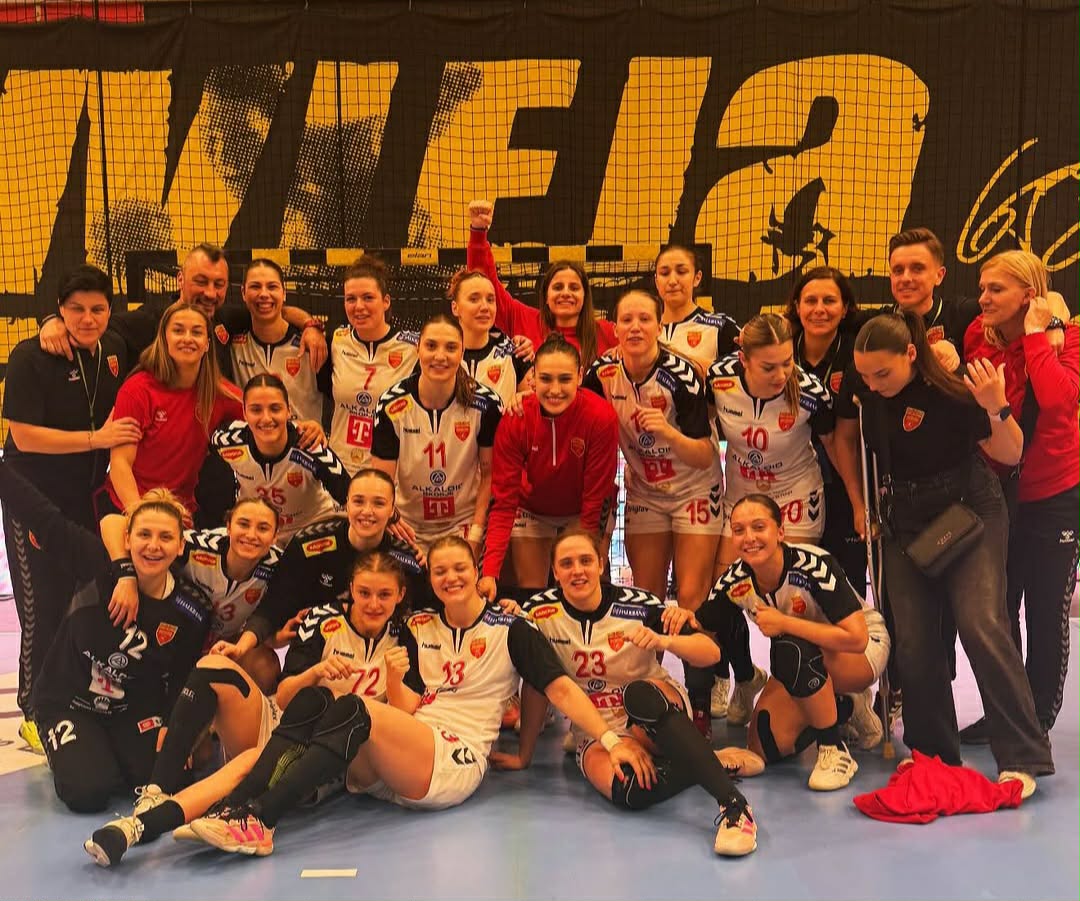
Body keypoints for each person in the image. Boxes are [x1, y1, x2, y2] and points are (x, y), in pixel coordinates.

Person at [183, 535, 653, 856]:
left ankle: (260, 820)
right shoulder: (417, 625)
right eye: (440, 570)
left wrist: (604, 741)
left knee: (354, 709)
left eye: (460, 568)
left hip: (451, 758)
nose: (451, 577)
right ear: (430, 578)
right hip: (399, 757)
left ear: (476, 572)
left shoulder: (512, 627)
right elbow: (403, 701)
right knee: (323, 710)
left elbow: (555, 688)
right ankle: (227, 811)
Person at [835, 310, 1054, 797]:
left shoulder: (955, 391)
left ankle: (1023, 754)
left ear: (911, 354)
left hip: (970, 509)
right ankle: (933, 753)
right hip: (904, 518)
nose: (872, 383)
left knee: (982, 623)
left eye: (882, 373)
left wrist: (997, 407)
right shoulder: (868, 394)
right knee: (913, 639)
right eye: (864, 375)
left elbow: (1011, 453)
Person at [83, 548, 415, 868]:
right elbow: (285, 698)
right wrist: (315, 672)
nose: (373, 604)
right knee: (214, 667)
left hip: (340, 753)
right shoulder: (322, 619)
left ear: (400, 595)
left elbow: (404, 718)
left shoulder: (406, 634)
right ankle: (155, 796)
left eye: (384, 595)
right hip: (292, 724)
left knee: (251, 762)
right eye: (364, 593)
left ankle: (147, 825)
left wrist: (395, 679)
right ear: (351, 589)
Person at [504, 529, 760, 856]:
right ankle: (709, 762)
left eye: (585, 561)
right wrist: (524, 756)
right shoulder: (538, 612)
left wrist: (665, 641)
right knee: (630, 790)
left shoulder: (638, 604)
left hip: (652, 708)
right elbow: (539, 683)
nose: (577, 571)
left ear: (601, 564)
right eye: (566, 564)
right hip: (596, 727)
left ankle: (735, 806)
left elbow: (710, 653)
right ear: (554, 571)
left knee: (638, 695)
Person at [0, 458, 212, 813]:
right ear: (127, 539)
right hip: (69, 702)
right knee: (88, 793)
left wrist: (174, 727)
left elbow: (181, 677)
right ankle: (77, 750)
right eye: (144, 535)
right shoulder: (97, 561)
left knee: (168, 780)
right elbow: (43, 517)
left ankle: (111, 751)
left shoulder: (191, 610)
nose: (153, 546)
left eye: (165, 537)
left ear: (180, 546)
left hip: (132, 708)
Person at [1, 265, 139, 748]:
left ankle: (76, 694)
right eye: (75, 309)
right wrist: (96, 438)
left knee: (88, 598)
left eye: (97, 309)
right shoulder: (30, 356)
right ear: (59, 310)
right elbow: (23, 437)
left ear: (110, 311)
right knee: (42, 602)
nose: (87, 318)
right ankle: (33, 709)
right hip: (32, 499)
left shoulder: (115, 347)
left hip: (88, 500)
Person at [961, 250, 1080, 739]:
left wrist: (1035, 335)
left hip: (1055, 493)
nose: (984, 298)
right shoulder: (977, 334)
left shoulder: (1070, 338)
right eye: (982, 288)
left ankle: (1036, 723)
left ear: (1029, 295)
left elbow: (1056, 399)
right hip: (997, 495)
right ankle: (1006, 713)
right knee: (999, 610)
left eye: (996, 290)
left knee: (1047, 611)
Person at [699, 496, 889, 790]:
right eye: (738, 530)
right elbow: (701, 623)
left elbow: (856, 637)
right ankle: (848, 706)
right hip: (801, 660)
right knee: (765, 745)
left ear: (780, 532)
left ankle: (833, 749)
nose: (749, 538)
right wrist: (671, 619)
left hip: (862, 649)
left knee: (789, 648)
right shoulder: (734, 580)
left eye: (758, 527)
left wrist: (785, 623)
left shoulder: (813, 564)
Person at [232, 469, 430, 656]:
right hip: (315, 650)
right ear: (347, 504)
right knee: (262, 665)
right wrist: (242, 647)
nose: (367, 511)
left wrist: (431, 566)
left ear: (392, 510)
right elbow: (274, 604)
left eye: (378, 503)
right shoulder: (308, 543)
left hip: (381, 654)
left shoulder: (408, 559)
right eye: (358, 501)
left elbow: (429, 613)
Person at [481, 334, 619, 594]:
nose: (555, 390)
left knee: (583, 584)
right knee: (531, 592)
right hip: (532, 509)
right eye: (546, 379)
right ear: (533, 377)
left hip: (583, 511)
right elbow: (504, 501)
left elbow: (596, 498)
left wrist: (587, 548)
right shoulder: (516, 417)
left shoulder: (601, 417)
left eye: (565, 379)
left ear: (580, 376)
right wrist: (489, 573)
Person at [100, 497, 284, 690]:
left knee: (264, 667)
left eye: (263, 528)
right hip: (177, 632)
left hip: (226, 641)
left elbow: (272, 611)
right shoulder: (199, 544)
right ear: (228, 527)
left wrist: (272, 636)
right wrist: (126, 576)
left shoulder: (278, 565)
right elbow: (112, 522)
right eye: (243, 524)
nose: (251, 535)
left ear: (275, 536)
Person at [371, 314, 503, 558]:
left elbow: (489, 474)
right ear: (418, 349)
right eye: (431, 346)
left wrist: (476, 535)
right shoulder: (391, 404)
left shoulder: (486, 404)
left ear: (462, 353)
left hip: (463, 524)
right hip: (408, 525)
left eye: (451, 348)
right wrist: (393, 520)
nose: (440, 356)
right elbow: (381, 481)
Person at [102, 301, 243, 518]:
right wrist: (140, 515)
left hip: (181, 511)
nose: (187, 338)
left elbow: (264, 414)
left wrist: (300, 428)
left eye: (197, 332)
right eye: (178, 331)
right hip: (130, 506)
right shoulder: (137, 390)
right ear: (164, 338)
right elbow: (120, 463)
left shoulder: (217, 392)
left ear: (207, 344)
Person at [785, 266, 866, 587]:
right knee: (796, 578)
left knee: (846, 579)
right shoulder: (780, 350)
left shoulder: (857, 353)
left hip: (842, 479)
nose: (819, 309)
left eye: (829, 301)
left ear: (845, 309)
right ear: (796, 307)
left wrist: (859, 502)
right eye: (810, 301)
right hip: (789, 481)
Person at [467, 199, 616, 368]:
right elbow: (483, 283)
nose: (566, 293)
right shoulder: (524, 319)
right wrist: (478, 232)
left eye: (574, 287)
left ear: (585, 296)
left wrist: (624, 350)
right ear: (546, 295)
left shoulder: (607, 333)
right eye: (558, 287)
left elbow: (639, 336)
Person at [212, 374, 348, 544]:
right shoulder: (226, 441)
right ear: (244, 413)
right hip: (257, 532)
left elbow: (350, 497)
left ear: (288, 411)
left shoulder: (311, 446)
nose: (266, 418)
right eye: (256, 410)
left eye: (275, 409)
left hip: (311, 530)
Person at [319, 256, 420, 474]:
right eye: (350, 299)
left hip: (392, 471)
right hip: (342, 468)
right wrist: (309, 326)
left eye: (368, 298)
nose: (359, 307)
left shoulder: (413, 348)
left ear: (386, 301)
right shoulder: (336, 341)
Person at [229, 258, 325, 422]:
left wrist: (311, 325)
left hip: (302, 438)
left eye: (272, 286)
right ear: (243, 293)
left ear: (284, 293)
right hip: (253, 437)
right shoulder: (233, 344)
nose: (264, 294)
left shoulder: (312, 345)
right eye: (255, 286)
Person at [449, 267, 534, 406]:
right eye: (474, 299)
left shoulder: (515, 353)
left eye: (490, 300)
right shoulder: (439, 355)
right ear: (455, 307)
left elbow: (533, 405)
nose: (485, 307)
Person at [654, 244, 739, 367]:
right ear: (656, 281)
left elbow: (749, 366)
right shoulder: (645, 330)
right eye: (664, 273)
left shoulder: (720, 327)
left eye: (681, 272)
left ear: (697, 278)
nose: (672, 281)